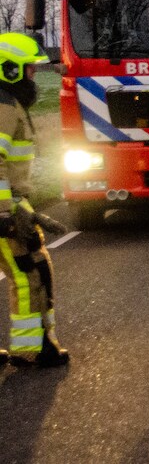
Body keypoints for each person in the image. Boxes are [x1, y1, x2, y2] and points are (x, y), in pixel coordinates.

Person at [0, 32, 69, 368]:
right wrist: (5, 213)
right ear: (9, 70)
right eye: (29, 70)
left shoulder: (10, 105)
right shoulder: (3, 107)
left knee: (30, 270)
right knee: (29, 274)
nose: (34, 76)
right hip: (4, 210)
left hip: (12, 204)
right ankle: (31, 349)